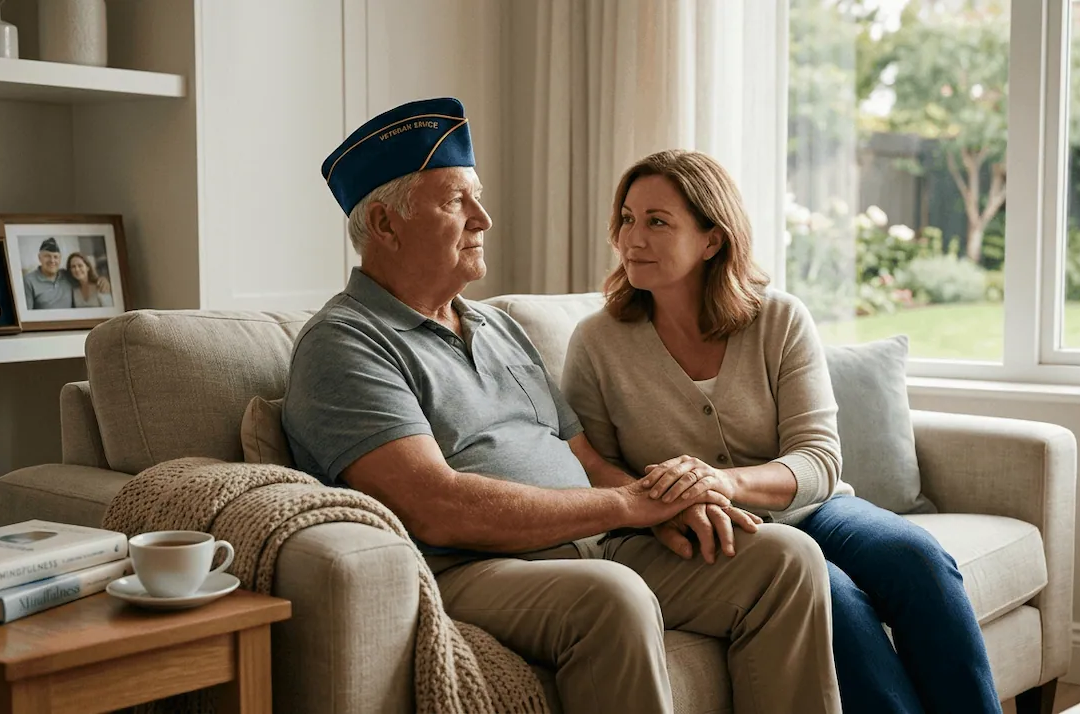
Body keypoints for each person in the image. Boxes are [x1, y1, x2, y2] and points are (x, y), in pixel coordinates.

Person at [282, 98, 842, 714]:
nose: (484, 219)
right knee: (612, 597)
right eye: (454, 202)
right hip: (471, 565)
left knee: (785, 559)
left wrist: (658, 509)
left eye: (478, 196)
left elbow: (584, 456)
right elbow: (433, 507)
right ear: (385, 227)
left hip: (596, 540)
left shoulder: (496, 326)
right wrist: (628, 505)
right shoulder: (346, 343)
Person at [560, 148, 1003, 714]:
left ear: (711, 240)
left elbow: (818, 459)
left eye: (657, 222)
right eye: (626, 218)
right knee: (834, 598)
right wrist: (672, 505)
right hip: (704, 532)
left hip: (810, 508)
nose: (631, 239)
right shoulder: (597, 343)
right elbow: (593, 468)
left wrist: (719, 481)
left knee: (916, 556)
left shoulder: (779, 319)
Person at [22, 238, 72, 309]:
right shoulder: (28, 281)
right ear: (39, 258)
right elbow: (26, 315)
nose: (52, 260)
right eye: (47, 256)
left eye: (55, 257)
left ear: (60, 259)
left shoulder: (67, 275)